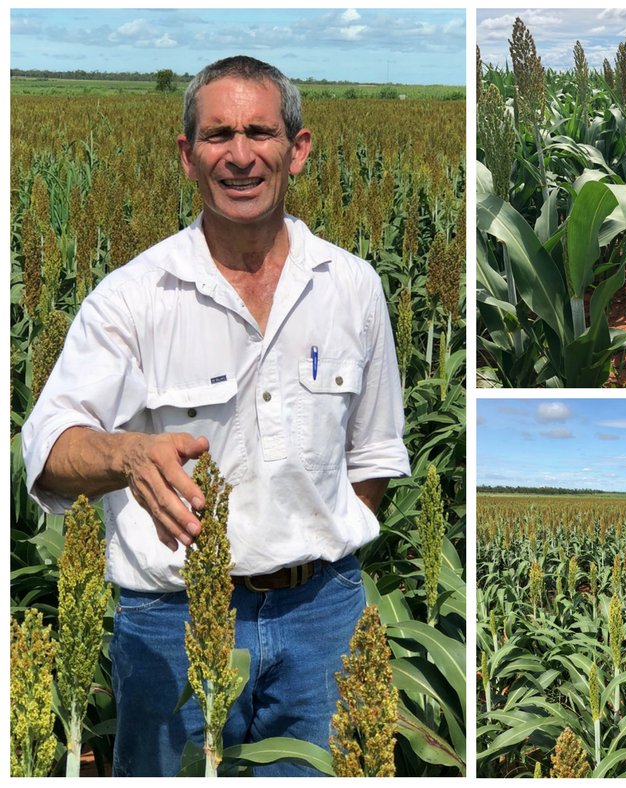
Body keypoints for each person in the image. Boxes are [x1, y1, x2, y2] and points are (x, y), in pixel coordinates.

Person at [22, 55, 410, 777]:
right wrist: (127, 456)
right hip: (169, 620)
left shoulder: (353, 287)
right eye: (217, 135)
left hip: (322, 617)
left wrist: (312, 544)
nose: (239, 155)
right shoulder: (134, 295)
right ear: (187, 155)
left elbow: (375, 457)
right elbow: (46, 448)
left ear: (297, 149)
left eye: (259, 133)